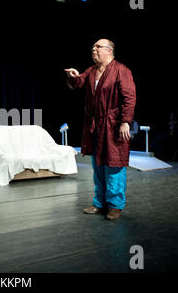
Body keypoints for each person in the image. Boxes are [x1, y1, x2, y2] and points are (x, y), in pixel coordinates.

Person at [65, 39, 136, 220]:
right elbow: (78, 84)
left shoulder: (121, 70)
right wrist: (74, 77)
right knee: (97, 166)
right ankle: (99, 203)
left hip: (113, 125)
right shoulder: (92, 71)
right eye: (93, 47)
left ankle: (115, 205)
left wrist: (125, 121)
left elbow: (129, 97)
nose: (94, 49)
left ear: (109, 51)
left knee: (114, 165)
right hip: (95, 126)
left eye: (98, 47)